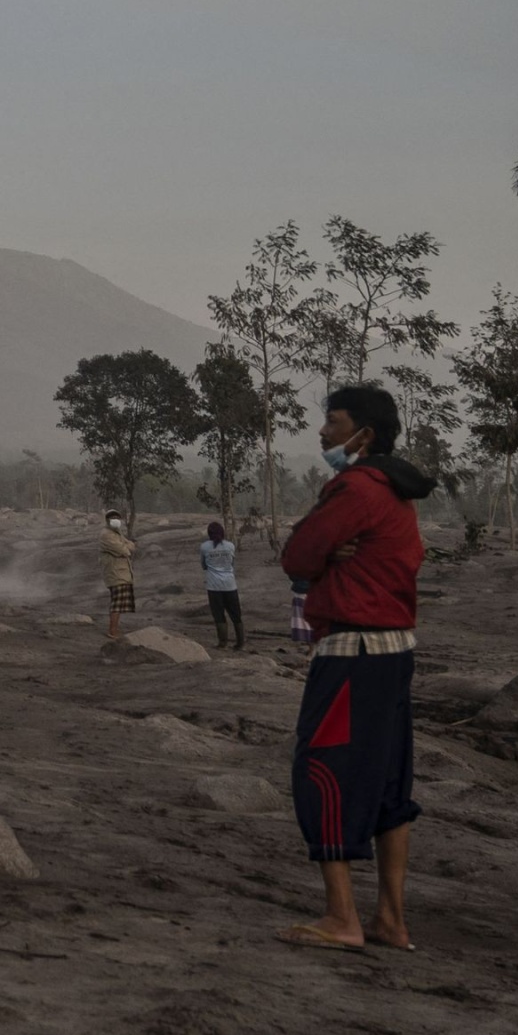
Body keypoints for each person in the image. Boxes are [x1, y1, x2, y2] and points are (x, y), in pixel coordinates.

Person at [277, 384, 434, 952]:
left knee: (321, 771)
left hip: (352, 654)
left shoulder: (357, 487)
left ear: (363, 434)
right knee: (390, 782)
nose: (323, 433)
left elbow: (296, 556)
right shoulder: (398, 491)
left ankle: (342, 917)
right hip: (395, 652)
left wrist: (319, 563)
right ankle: (390, 920)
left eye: (333, 422)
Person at [200, 520, 243, 650]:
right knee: (236, 614)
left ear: (209, 533)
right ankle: (240, 642)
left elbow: (204, 566)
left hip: (214, 587)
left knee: (218, 614)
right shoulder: (230, 546)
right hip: (230, 585)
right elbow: (232, 563)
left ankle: (222, 642)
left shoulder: (204, 547)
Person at [101, 510, 136, 637]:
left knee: (118, 602)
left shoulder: (117, 533)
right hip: (115, 572)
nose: (116, 520)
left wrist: (128, 546)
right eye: (113, 518)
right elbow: (124, 550)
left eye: (117, 517)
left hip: (120, 572)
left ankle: (114, 629)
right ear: (107, 520)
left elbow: (130, 546)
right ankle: (113, 631)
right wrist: (127, 547)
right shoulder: (107, 535)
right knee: (117, 602)